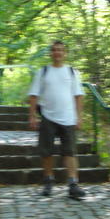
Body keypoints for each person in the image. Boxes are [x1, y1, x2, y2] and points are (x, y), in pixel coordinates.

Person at [28, 41, 86, 200]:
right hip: (47, 117)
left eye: (60, 50)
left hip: (69, 118)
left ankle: (73, 184)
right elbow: (33, 95)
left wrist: (79, 117)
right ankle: (48, 181)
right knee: (46, 152)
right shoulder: (43, 72)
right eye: (54, 50)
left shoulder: (72, 72)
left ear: (65, 53)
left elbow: (78, 96)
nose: (57, 53)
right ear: (51, 53)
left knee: (70, 152)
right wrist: (32, 116)